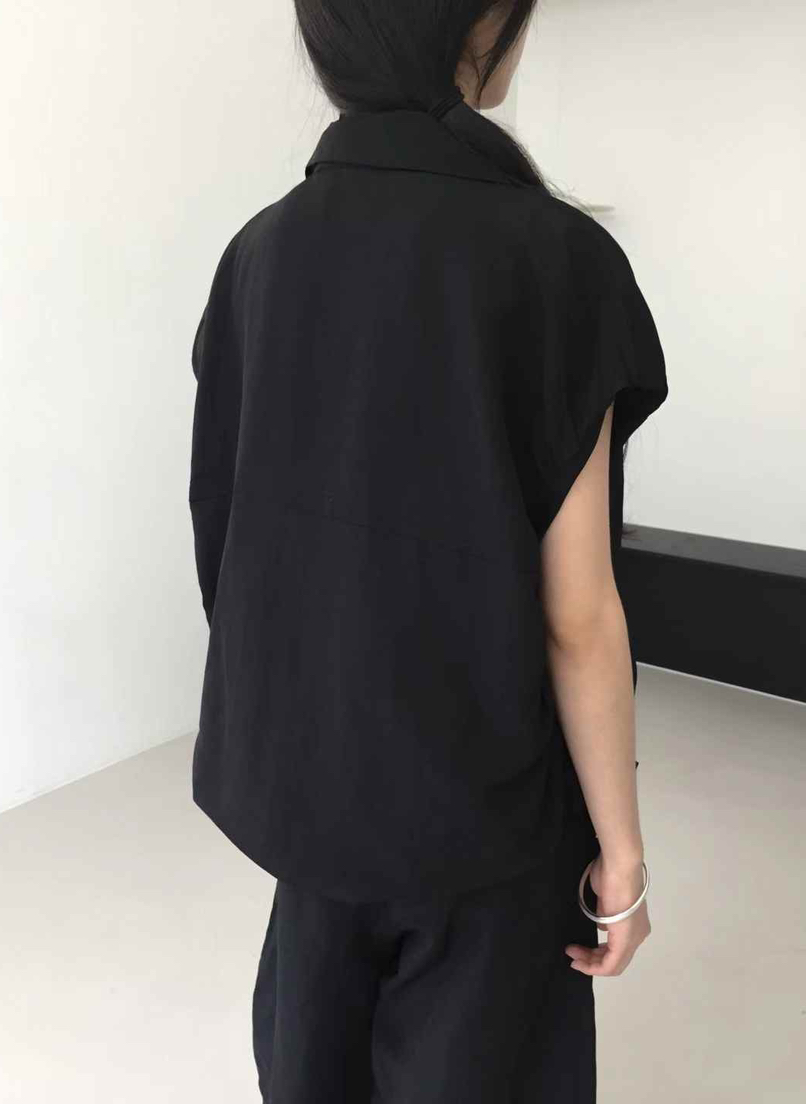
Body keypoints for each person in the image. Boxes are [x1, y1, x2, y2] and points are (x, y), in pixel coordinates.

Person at [188, 2, 668, 1100]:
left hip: (312, 797)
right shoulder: (557, 259)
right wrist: (623, 852)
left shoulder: (258, 253)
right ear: (487, 24)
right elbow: (577, 615)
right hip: (486, 819)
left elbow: (231, 535)